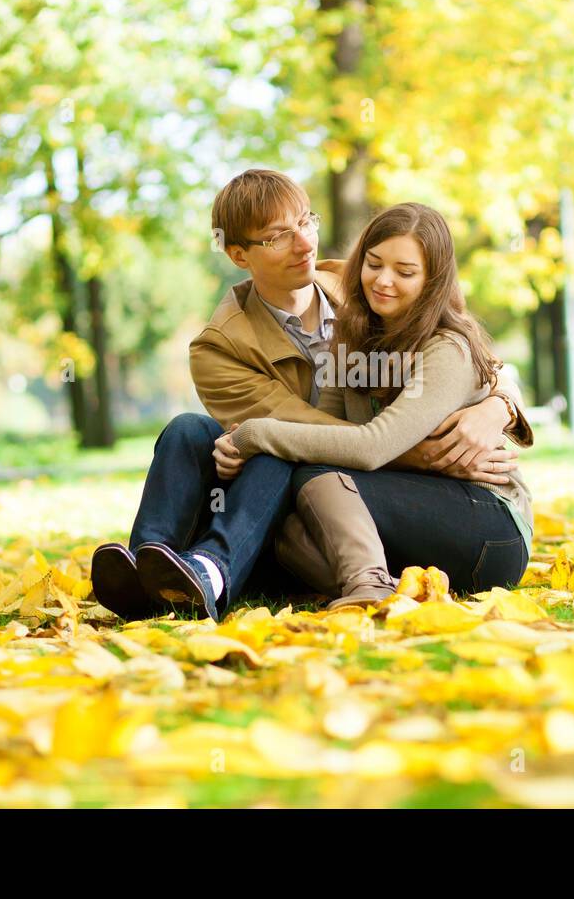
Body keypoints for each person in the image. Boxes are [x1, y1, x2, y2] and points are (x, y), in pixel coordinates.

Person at [91, 170, 533, 621]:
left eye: (306, 222)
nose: (304, 244)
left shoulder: (358, 287)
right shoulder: (220, 348)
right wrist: (416, 454)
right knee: (192, 432)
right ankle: (147, 564)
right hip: (313, 480)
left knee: (288, 455)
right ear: (238, 253)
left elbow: (472, 355)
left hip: (377, 488)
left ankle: (213, 569)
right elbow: (305, 429)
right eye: (278, 237)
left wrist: (500, 407)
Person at [214, 202, 533, 609]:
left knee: (319, 473)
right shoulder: (349, 341)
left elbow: (370, 446)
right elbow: (327, 428)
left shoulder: (448, 348)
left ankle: (369, 586)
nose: (383, 281)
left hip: (490, 527)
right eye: (374, 263)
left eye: (405, 272)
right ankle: (387, 587)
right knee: (288, 524)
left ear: (432, 281)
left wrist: (256, 434)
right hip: (409, 516)